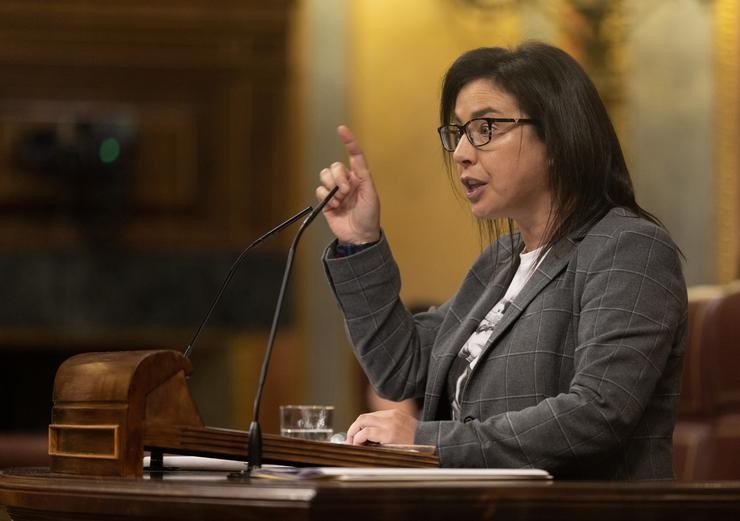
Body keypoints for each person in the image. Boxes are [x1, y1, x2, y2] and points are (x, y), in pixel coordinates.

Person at [314, 41, 687, 480]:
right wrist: (360, 240)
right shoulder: (500, 263)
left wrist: (428, 439)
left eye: (486, 127)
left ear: (558, 136)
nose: (462, 153)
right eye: (459, 132)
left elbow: (599, 410)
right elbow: (403, 369)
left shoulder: (629, 246)